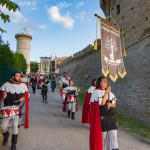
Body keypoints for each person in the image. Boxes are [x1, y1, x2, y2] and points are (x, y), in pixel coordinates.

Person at [0, 71, 29, 150]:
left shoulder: (23, 86)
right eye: (17, 76)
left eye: (20, 76)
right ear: (13, 77)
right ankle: (6, 136)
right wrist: (3, 95)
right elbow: (1, 94)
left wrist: (23, 98)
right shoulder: (6, 85)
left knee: (15, 126)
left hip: (16, 108)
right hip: (7, 108)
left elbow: (27, 95)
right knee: (3, 127)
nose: (19, 77)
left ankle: (13, 144)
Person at [90, 76, 118, 150]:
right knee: (104, 140)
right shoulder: (96, 92)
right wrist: (106, 93)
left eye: (106, 81)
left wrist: (111, 104)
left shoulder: (111, 93)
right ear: (100, 83)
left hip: (112, 119)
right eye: (104, 81)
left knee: (114, 139)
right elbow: (102, 103)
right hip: (103, 120)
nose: (106, 82)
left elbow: (114, 105)